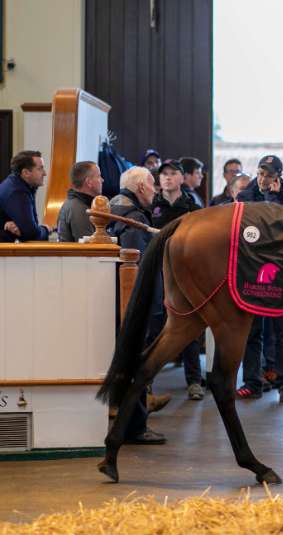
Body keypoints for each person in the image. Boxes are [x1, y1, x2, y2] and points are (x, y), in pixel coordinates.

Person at [108, 166, 167, 444]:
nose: (156, 189)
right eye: (153, 184)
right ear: (141, 187)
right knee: (136, 364)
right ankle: (136, 427)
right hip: (135, 305)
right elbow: (137, 266)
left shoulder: (115, 209)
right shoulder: (133, 219)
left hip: (124, 303)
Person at [235, 155, 283, 403]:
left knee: (281, 330)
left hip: (279, 270)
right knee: (252, 329)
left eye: (269, 175)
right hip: (252, 268)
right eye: (261, 173)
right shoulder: (246, 194)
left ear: (278, 177)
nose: (263, 179)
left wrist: (272, 199)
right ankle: (252, 381)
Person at [149, 160, 203, 399]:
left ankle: (194, 382)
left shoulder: (192, 205)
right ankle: (147, 382)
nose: (168, 178)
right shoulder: (152, 204)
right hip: (157, 271)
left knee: (187, 324)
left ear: (182, 178)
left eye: (173, 174)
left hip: (184, 271)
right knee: (154, 326)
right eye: (164, 174)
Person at [0, 150, 51, 242]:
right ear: (26, 173)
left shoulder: (17, 184)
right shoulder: (18, 192)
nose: (44, 173)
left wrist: (24, 229)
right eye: (40, 169)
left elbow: (29, 230)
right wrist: (46, 229)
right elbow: (32, 235)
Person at [56, 161, 103, 242]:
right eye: (99, 176)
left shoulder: (76, 203)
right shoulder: (79, 209)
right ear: (89, 182)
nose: (102, 180)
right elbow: (89, 247)